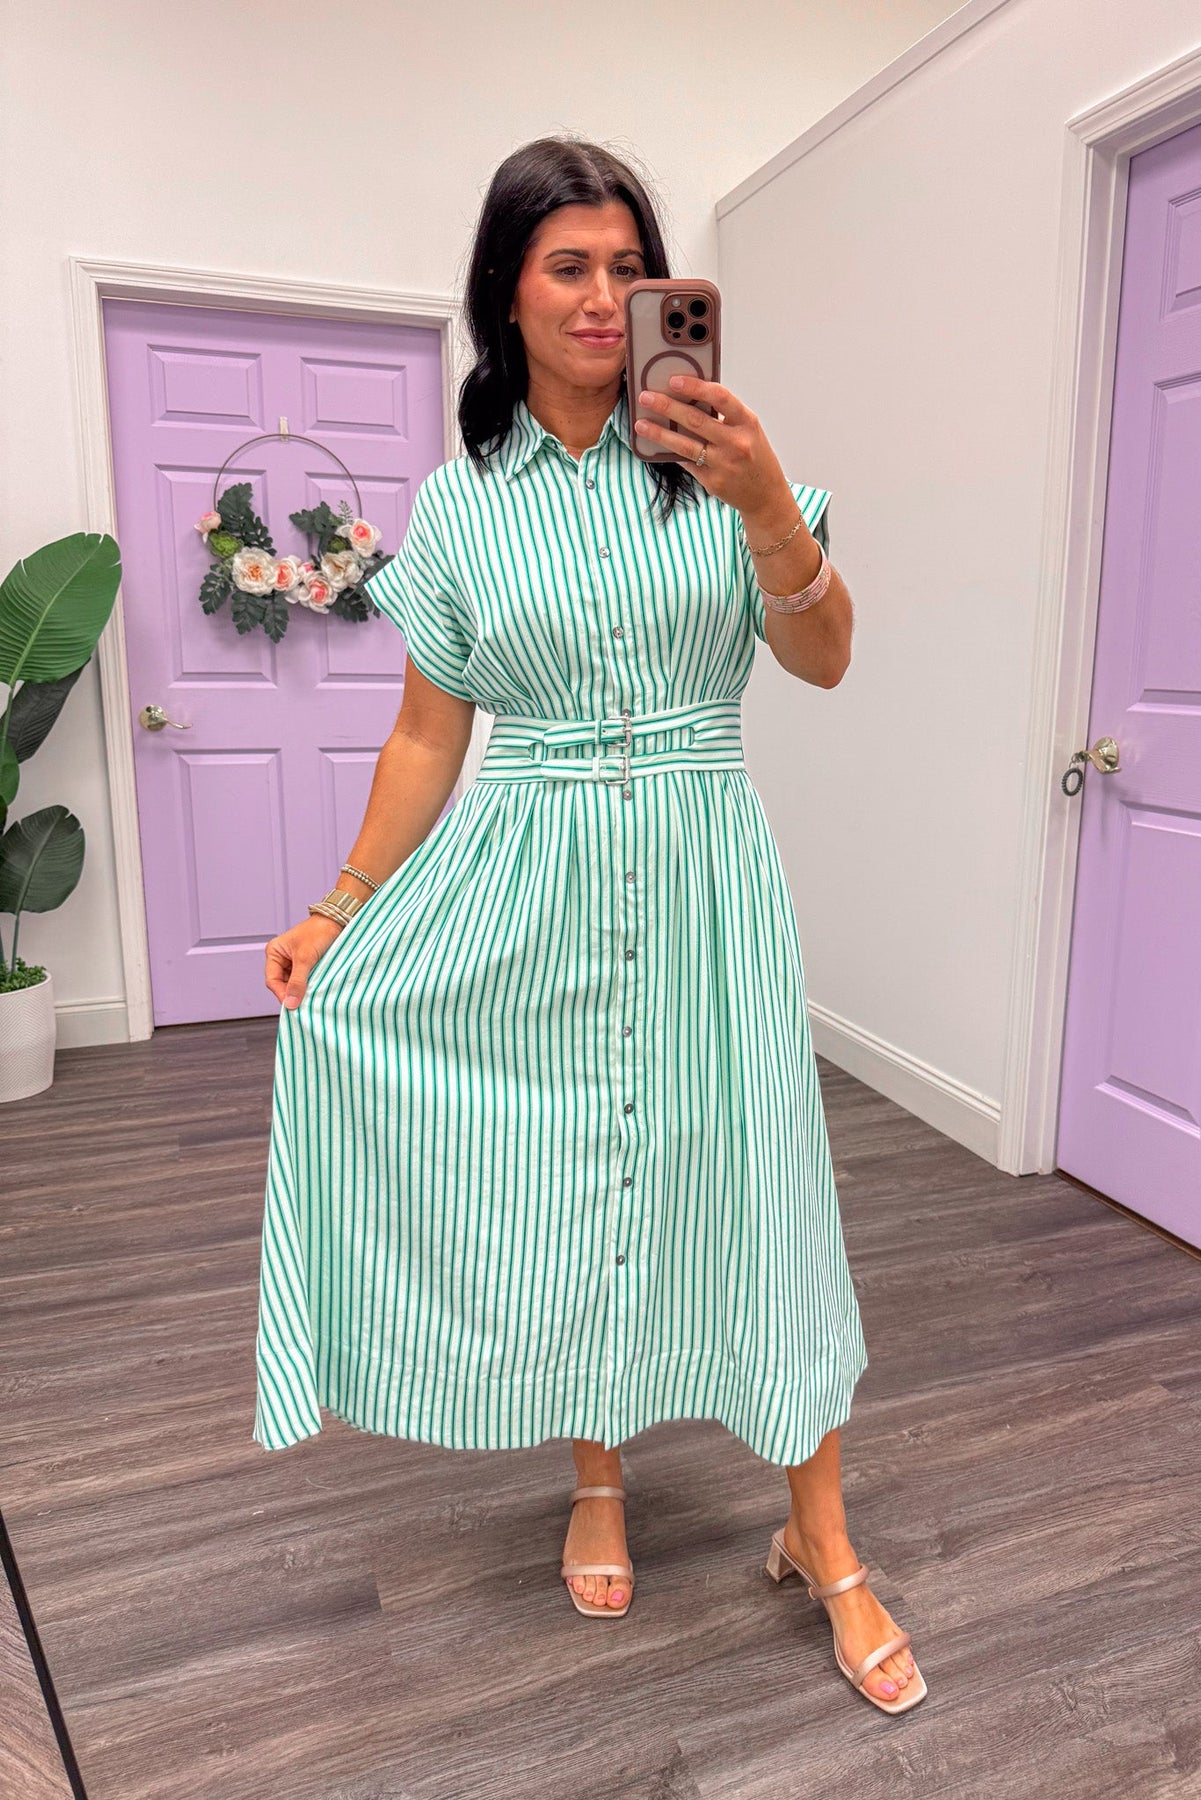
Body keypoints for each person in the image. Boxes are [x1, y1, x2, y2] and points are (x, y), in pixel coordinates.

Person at [257, 135, 924, 1714]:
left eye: (630, 267)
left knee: (758, 1187)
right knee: (564, 1173)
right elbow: (428, 734)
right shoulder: (458, 507)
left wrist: (764, 505)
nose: (602, 296)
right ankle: (597, 1473)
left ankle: (822, 1539)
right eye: (569, 265)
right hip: (527, 872)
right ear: (505, 288)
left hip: (702, 873)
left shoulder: (723, 464)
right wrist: (337, 905)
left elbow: (825, 655)